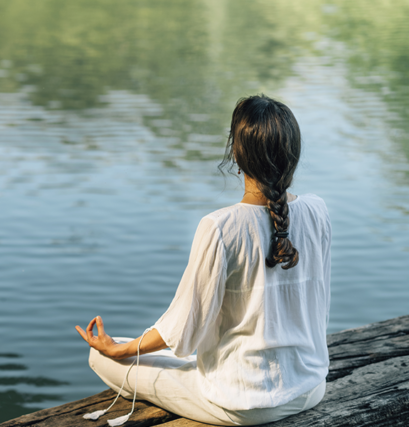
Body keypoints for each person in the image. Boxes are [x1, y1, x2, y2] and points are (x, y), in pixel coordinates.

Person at [76, 95, 331, 426]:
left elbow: (183, 329)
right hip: (310, 387)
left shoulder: (220, 227)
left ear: (236, 156)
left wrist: (119, 351)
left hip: (242, 402)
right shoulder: (318, 211)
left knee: (103, 355)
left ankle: (124, 354)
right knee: (164, 353)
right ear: (292, 156)